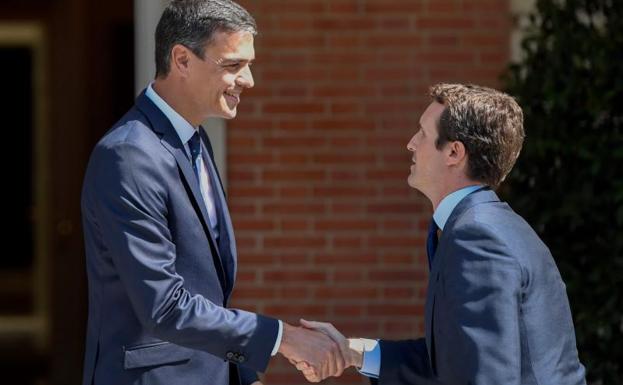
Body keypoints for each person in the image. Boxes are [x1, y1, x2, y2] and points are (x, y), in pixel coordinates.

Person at [80, 1, 345, 384]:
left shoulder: (194, 139)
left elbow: (204, 287)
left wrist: (238, 371)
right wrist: (282, 338)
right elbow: (165, 307)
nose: (249, 80)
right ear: (182, 60)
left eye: (248, 64)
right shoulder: (129, 155)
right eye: (233, 65)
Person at [298, 83, 587, 384]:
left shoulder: (477, 237)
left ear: (453, 151)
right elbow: (457, 361)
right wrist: (352, 352)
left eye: (422, 133)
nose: (411, 143)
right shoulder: (488, 225)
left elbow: (486, 377)